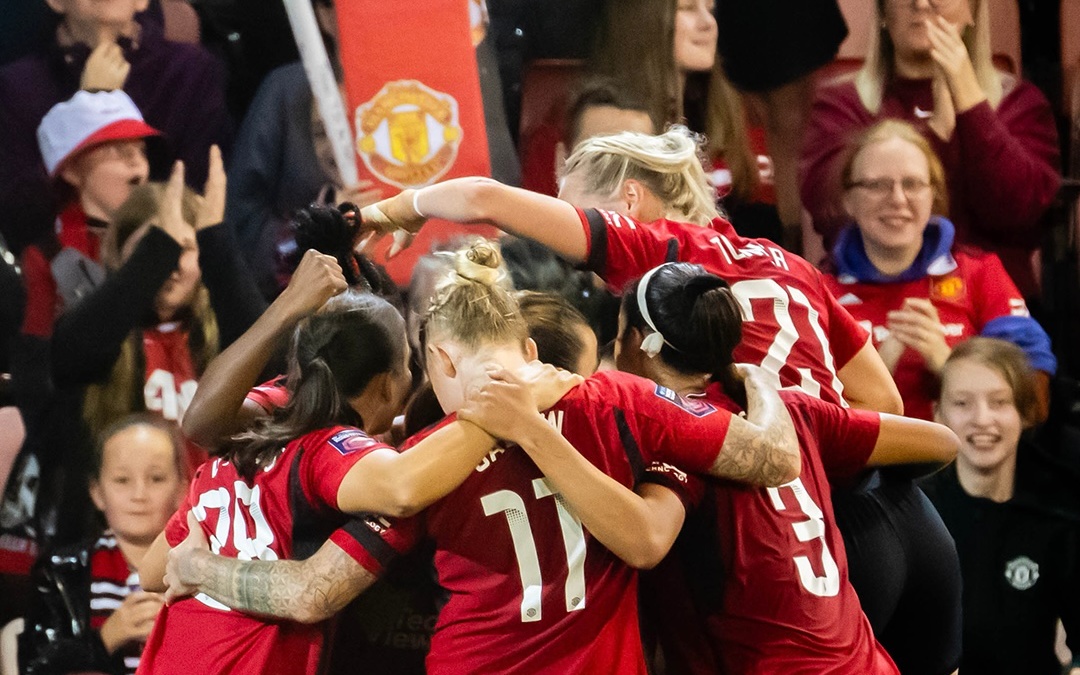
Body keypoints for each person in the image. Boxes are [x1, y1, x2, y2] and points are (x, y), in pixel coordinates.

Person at [356, 125, 968, 673]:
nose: (572, 256)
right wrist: (810, 441)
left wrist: (397, 209)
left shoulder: (656, 260)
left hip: (766, 543)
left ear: (628, 201)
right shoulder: (789, 262)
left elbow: (482, 198)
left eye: (571, 211)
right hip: (899, 521)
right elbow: (882, 402)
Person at [160, 239, 803, 674]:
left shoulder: (421, 464)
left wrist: (200, 568)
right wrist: (766, 387)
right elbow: (776, 459)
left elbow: (311, 590)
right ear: (528, 347)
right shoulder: (622, 401)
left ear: (437, 361)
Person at [460, 262, 960, 673]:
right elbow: (940, 443)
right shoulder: (793, 406)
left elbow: (645, 540)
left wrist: (532, 430)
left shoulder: (668, 433)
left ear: (636, 342)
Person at [136, 286, 578, 675]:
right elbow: (402, 488)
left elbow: (155, 570)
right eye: (409, 365)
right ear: (389, 384)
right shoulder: (331, 449)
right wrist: (511, 409)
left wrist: (201, 568)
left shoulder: (246, 438)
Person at [800, 0, 1060, 298]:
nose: (922, 4)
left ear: (973, 10)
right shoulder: (841, 105)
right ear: (883, 12)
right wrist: (935, 138)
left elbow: (1020, 214)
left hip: (991, 314)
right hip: (868, 302)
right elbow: (832, 211)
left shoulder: (1018, 103)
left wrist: (971, 104)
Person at [824, 119, 1056, 422]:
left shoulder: (981, 275)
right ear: (848, 200)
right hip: (864, 463)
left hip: (964, 461)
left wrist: (950, 365)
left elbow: (1034, 404)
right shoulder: (819, 291)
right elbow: (809, 420)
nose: (897, 199)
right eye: (877, 185)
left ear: (933, 195)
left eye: (912, 184)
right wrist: (874, 379)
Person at [0, 0, 230, 254]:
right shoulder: (16, 87)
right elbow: (19, 222)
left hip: (171, 255)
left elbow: (197, 194)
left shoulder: (189, 70)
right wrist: (87, 107)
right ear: (55, 2)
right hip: (65, 271)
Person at [921, 337, 1080, 675]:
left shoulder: (1060, 513)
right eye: (962, 403)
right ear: (939, 414)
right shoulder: (913, 515)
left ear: (1024, 413)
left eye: (999, 402)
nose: (982, 419)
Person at [586, 0, 782, 242]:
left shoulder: (722, 110)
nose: (708, 23)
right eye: (688, 8)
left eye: (710, 10)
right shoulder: (606, 116)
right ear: (644, 21)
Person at [19, 415, 184, 675]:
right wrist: (107, 637)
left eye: (156, 479)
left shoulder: (202, 569)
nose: (139, 494)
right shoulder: (61, 572)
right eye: (122, 480)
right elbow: (34, 666)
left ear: (182, 491)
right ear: (97, 493)